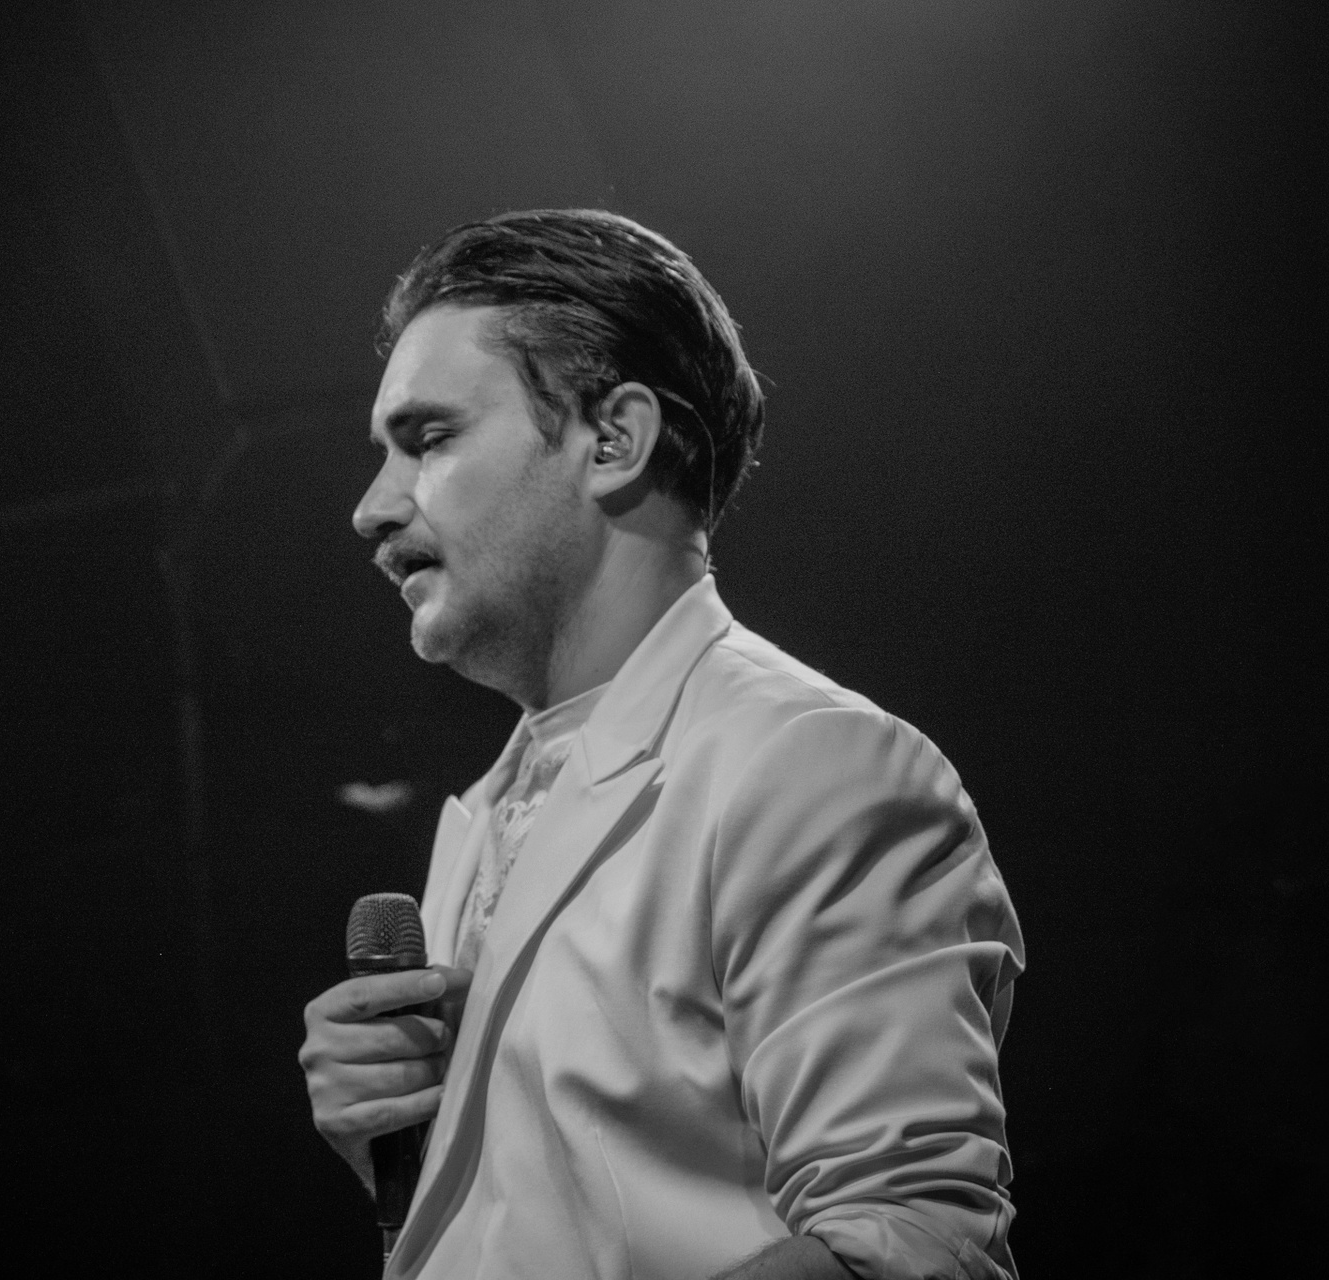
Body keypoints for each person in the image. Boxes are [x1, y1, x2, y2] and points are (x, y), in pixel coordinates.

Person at [299, 209, 1024, 1280]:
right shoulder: (490, 809)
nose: (371, 508)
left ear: (614, 441)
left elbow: (912, 1249)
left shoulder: (809, 765)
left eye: (431, 438)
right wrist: (415, 1155)